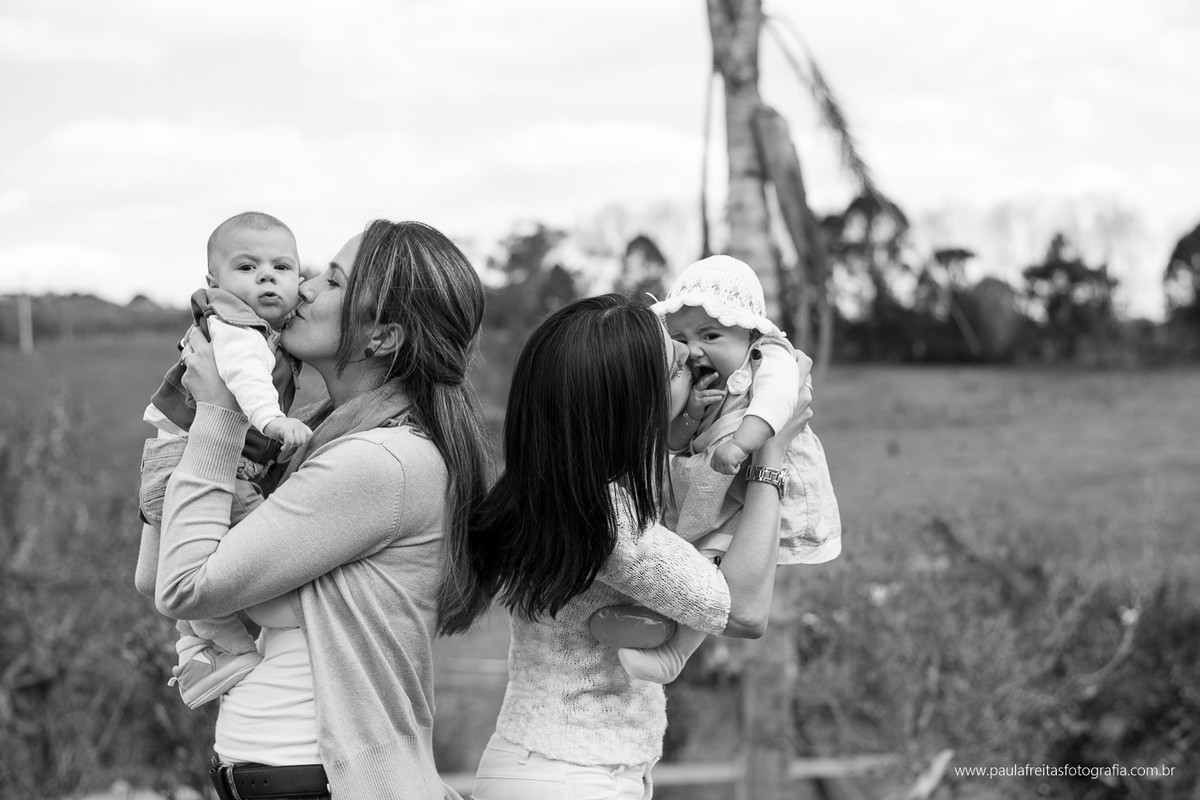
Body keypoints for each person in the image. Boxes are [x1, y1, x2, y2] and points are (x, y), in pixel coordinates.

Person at [135, 219, 489, 800]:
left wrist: (218, 414)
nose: (302, 286)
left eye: (333, 282)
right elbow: (156, 577)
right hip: (266, 777)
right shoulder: (319, 440)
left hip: (322, 783)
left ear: (382, 337)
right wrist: (173, 447)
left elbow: (184, 587)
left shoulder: (381, 461)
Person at [455, 293, 814, 800]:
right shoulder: (607, 520)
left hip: (553, 765)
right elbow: (745, 611)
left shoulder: (562, 486)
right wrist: (771, 452)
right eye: (674, 366)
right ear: (631, 403)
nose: (692, 360)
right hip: (572, 777)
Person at [609, 254, 842, 685]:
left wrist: (743, 442)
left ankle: (674, 653)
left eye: (711, 334)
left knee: (711, 572)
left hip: (755, 480)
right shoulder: (710, 381)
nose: (694, 349)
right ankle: (661, 628)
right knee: (702, 566)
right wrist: (693, 416)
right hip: (730, 482)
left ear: (751, 332)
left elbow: (778, 403)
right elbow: (679, 445)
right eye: (680, 338)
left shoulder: (769, 358)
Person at [138, 210, 313, 708]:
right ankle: (230, 649)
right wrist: (271, 420)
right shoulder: (237, 327)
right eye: (247, 267)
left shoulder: (261, 331)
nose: (265, 276)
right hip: (191, 459)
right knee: (252, 535)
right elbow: (245, 375)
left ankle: (197, 650)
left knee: (186, 559)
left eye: (281, 267)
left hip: (177, 458)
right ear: (215, 283)